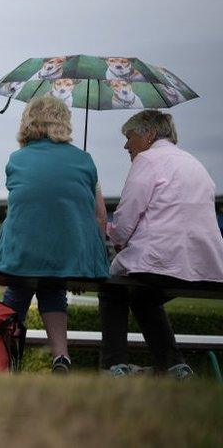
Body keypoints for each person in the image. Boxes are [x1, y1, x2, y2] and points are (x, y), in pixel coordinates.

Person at [0, 96, 109, 373]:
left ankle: (4, 358)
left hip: (23, 253)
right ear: (63, 122)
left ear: (29, 122)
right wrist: (84, 266)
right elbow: (100, 215)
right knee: (52, 282)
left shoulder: (16, 160)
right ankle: (61, 356)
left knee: (20, 283)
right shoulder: (85, 161)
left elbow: (20, 211)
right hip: (67, 256)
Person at [101, 110, 223, 379]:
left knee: (112, 290)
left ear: (149, 135)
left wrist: (113, 235)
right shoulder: (195, 163)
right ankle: (176, 366)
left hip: (161, 261)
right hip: (205, 265)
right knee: (145, 299)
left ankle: (114, 365)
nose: (126, 145)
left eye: (129, 136)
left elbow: (127, 216)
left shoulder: (147, 160)